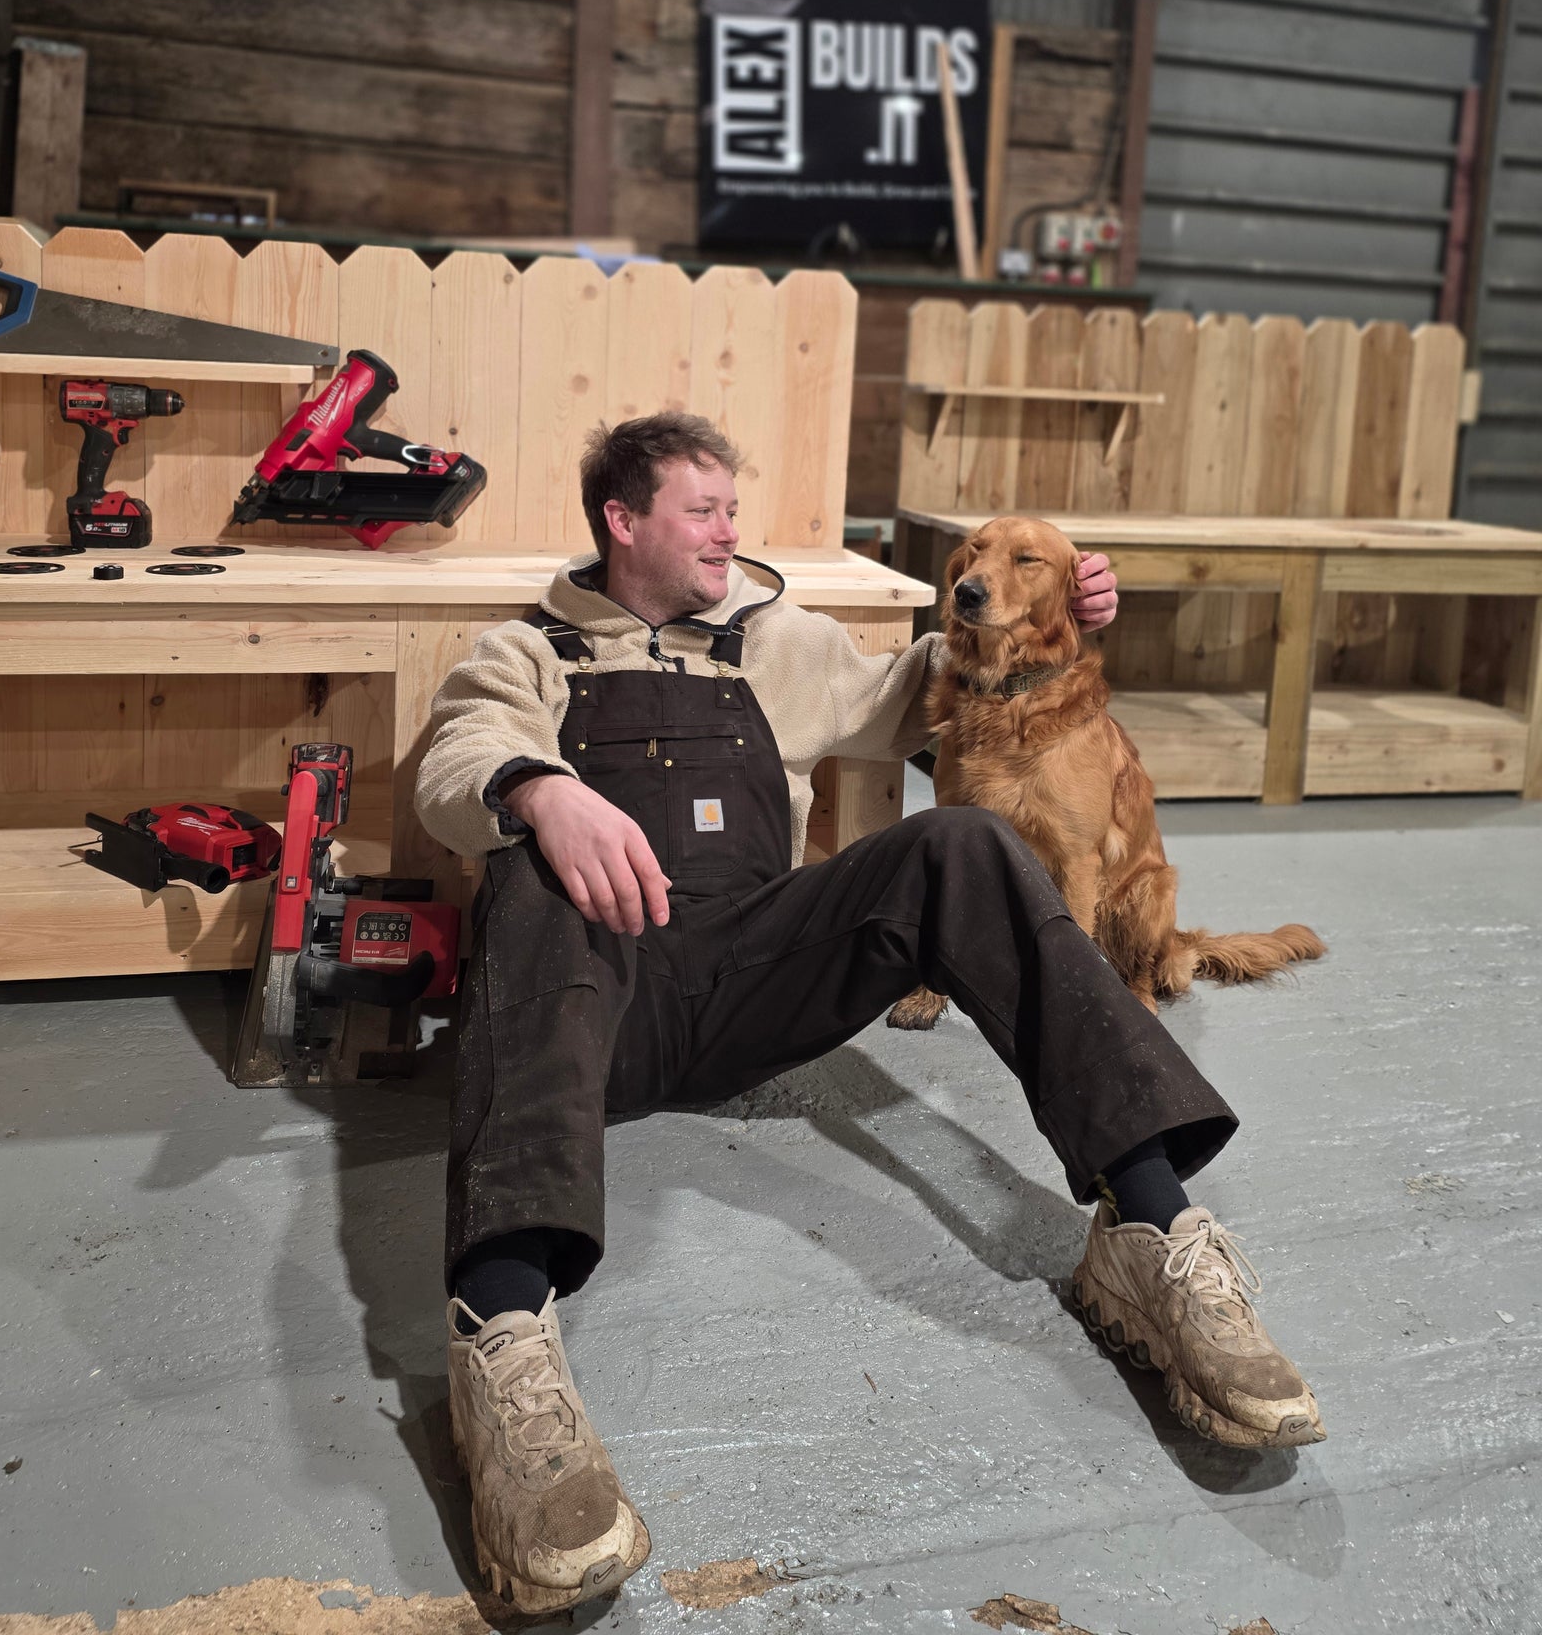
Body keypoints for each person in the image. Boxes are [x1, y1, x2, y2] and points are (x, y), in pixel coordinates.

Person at [416, 414, 1323, 1614]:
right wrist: (539, 788)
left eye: (732, 509)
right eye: (701, 511)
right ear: (622, 521)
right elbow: (456, 756)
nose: (728, 532)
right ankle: (502, 1333)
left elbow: (925, 684)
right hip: (598, 1005)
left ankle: (1151, 1227)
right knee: (524, 872)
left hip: (755, 980)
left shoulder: (779, 641)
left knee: (962, 840)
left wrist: (1052, 608)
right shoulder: (532, 652)